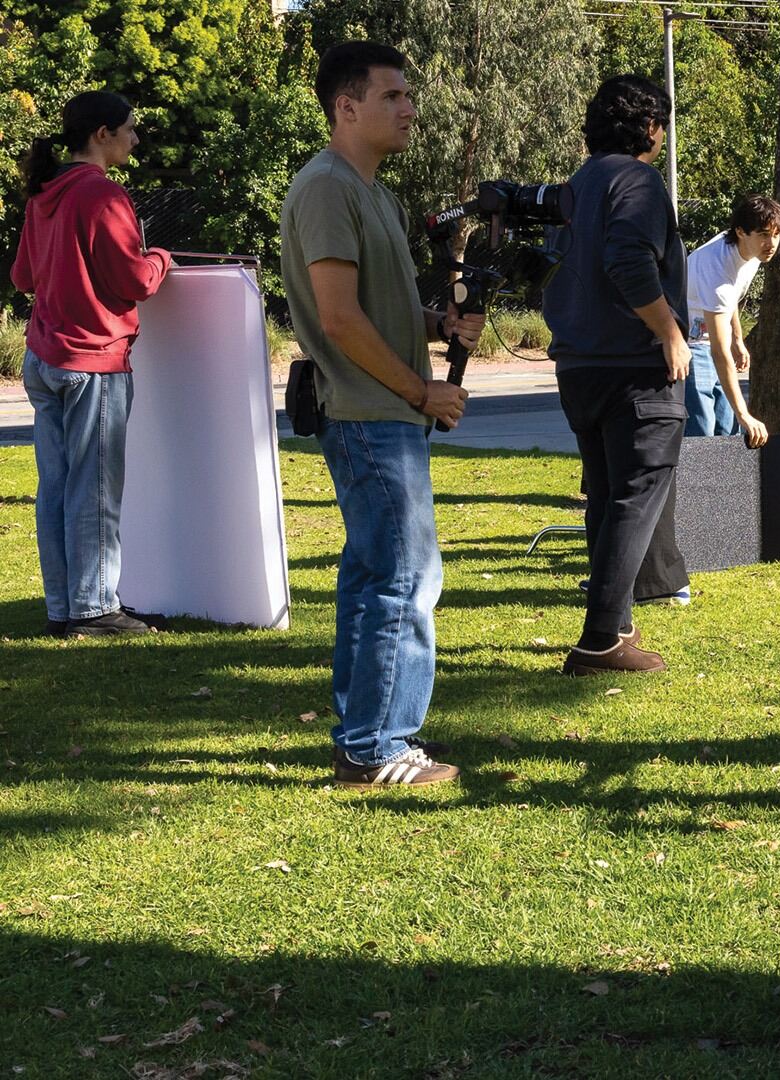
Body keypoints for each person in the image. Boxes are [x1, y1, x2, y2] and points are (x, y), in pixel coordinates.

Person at [280, 42, 484, 788]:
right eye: (393, 95)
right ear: (347, 106)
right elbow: (337, 319)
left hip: (383, 414)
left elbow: (372, 308)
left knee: (377, 576)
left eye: (408, 95)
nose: (409, 108)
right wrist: (420, 391)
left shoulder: (374, 192)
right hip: (370, 415)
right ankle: (378, 747)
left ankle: (365, 737)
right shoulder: (328, 187)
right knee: (404, 577)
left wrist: (438, 324)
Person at [541, 75, 691, 675]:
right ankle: (600, 640)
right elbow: (628, 261)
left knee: (605, 497)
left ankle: (617, 627)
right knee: (635, 497)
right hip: (633, 368)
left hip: (579, 365)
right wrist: (669, 332)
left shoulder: (575, 186)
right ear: (652, 127)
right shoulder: (638, 179)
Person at [10, 91, 172, 638]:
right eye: (129, 128)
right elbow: (135, 280)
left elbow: (22, 279)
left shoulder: (45, 194)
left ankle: (65, 607)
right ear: (101, 135)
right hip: (94, 360)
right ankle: (96, 608)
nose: (135, 138)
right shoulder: (102, 194)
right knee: (95, 489)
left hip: (45, 357)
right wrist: (162, 258)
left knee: (56, 488)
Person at [683, 193, 780, 443]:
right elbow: (719, 351)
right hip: (690, 346)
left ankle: (728, 483)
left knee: (728, 430)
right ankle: (696, 483)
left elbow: (730, 298)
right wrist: (744, 413)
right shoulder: (715, 267)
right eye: (763, 234)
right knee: (702, 433)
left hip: (713, 339)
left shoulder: (751, 254)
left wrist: (737, 339)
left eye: (776, 234)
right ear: (741, 231)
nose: (771, 243)